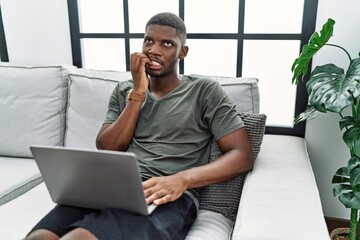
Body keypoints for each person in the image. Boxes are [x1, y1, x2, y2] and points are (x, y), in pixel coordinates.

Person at [26, 12, 253, 240]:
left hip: (169, 196)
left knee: (80, 237)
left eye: (167, 44)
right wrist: (138, 93)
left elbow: (242, 155)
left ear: (182, 52)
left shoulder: (204, 91)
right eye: (148, 41)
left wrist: (182, 179)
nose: (154, 50)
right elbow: (107, 148)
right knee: (40, 236)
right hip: (115, 186)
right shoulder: (125, 91)